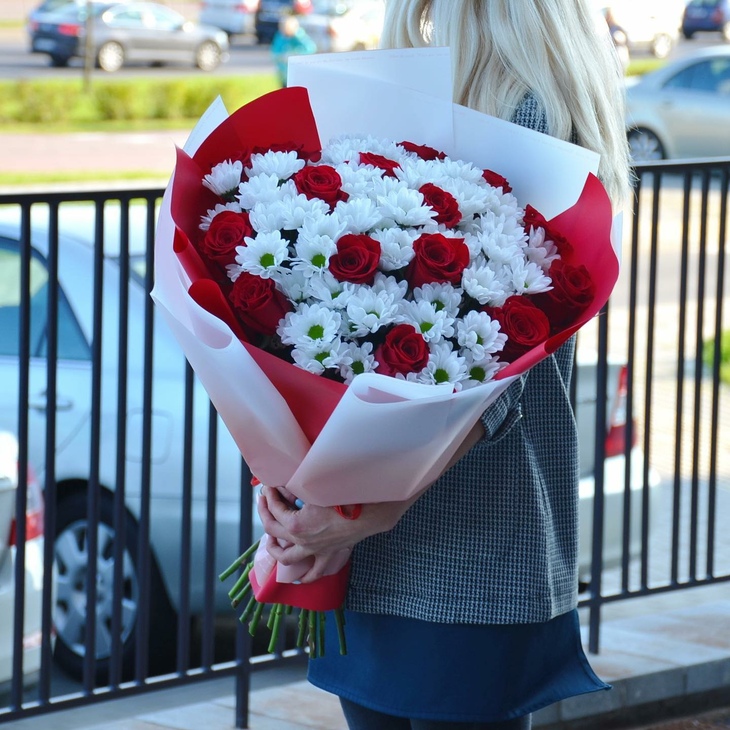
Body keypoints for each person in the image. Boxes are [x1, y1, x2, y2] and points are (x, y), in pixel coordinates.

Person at [257, 1, 633, 728]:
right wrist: (286, 482)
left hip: (465, 543)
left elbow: (501, 378)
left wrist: (361, 513)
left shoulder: (535, 112)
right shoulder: (430, 91)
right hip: (369, 548)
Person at [270, 12, 318, 88]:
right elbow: (275, 51)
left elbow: (310, 48)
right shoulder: (280, 36)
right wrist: (281, 57)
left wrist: (296, 55)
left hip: (298, 73)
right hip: (284, 72)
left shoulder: (299, 36)